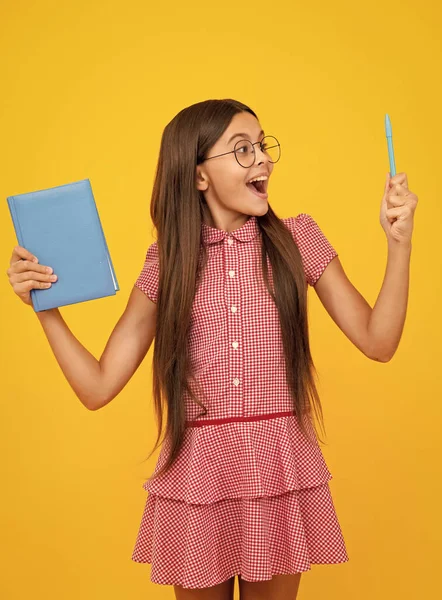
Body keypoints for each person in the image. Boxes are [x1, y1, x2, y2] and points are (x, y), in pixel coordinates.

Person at [6, 98, 417, 600]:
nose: (262, 159)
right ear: (199, 176)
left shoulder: (298, 240)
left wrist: (399, 245)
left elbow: (379, 341)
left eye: (262, 146)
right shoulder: (167, 263)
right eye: (241, 150)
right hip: (198, 472)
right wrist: (45, 307)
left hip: (278, 466)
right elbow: (96, 387)